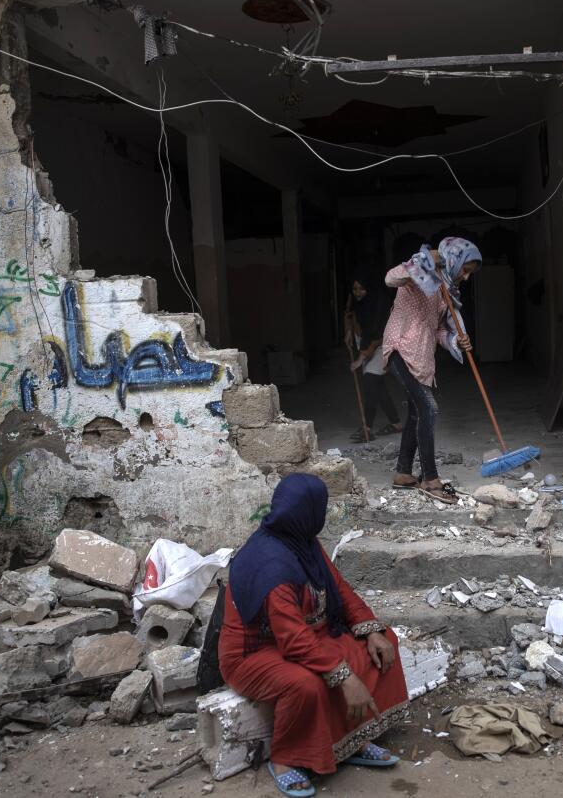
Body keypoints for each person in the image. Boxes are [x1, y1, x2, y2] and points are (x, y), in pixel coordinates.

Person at [218, 474, 409, 797]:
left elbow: (339, 588)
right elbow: (291, 639)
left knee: (381, 643)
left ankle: (351, 739)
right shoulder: (272, 567)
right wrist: (345, 677)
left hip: (304, 634)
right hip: (254, 653)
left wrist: (370, 627)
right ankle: (285, 760)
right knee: (306, 684)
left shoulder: (302, 540)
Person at [382, 237, 481, 505]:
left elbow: (438, 330)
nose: (467, 276)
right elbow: (391, 278)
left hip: (422, 358)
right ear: (453, 260)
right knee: (428, 409)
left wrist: (454, 340)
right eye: (466, 269)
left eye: (470, 271)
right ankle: (430, 478)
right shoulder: (420, 273)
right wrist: (422, 260)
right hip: (400, 349)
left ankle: (403, 472)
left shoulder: (444, 291)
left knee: (417, 412)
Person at [344, 276, 403, 442]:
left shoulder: (378, 305)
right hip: (366, 341)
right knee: (378, 386)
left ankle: (367, 427)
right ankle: (396, 423)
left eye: (361, 289)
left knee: (370, 380)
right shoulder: (356, 300)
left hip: (382, 344)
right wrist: (348, 331)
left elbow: (376, 336)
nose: (358, 293)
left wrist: (360, 359)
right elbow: (348, 313)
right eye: (355, 289)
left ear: (369, 288)